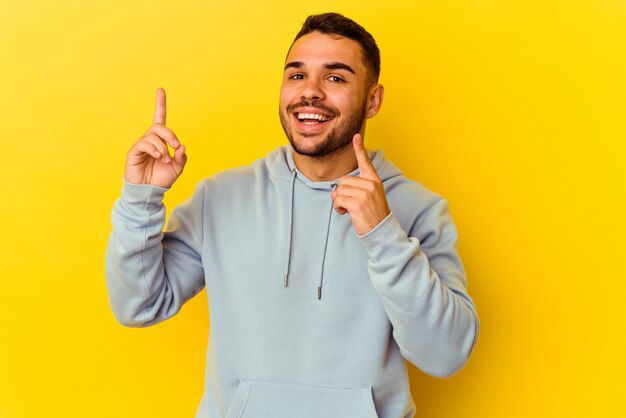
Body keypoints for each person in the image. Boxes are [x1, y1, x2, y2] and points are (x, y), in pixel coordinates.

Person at [106, 12, 479, 418]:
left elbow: (445, 355)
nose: (311, 93)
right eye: (297, 76)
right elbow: (138, 304)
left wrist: (383, 234)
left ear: (372, 100)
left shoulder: (417, 209)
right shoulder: (221, 198)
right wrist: (141, 198)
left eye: (335, 78)